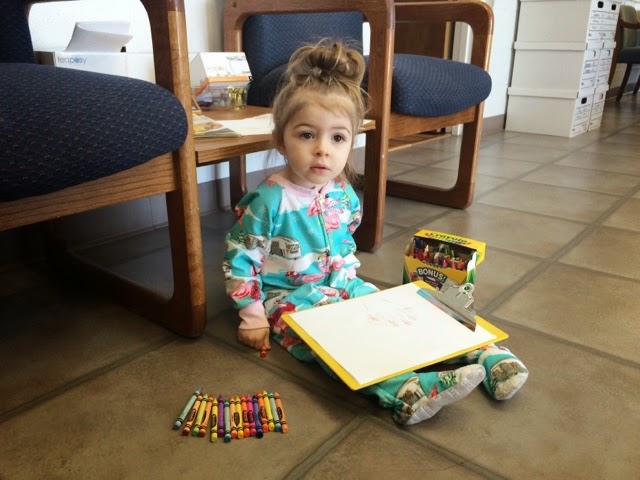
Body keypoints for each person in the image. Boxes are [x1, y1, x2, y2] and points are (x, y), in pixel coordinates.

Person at [223, 40, 528, 425]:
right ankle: (406, 389)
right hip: (288, 299)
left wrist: (347, 283)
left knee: (405, 314)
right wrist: (252, 315)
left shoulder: (344, 193)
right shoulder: (268, 201)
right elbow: (240, 261)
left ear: (351, 141)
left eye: (337, 138)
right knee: (340, 347)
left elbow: (346, 235)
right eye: (306, 135)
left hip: (344, 285)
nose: (323, 150)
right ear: (281, 139)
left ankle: (483, 352)